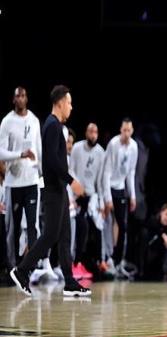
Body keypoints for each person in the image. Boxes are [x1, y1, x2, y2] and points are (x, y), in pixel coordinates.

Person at [10, 85, 91, 297]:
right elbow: (52, 161)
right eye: (69, 103)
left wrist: (67, 184)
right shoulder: (52, 125)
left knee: (65, 237)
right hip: (53, 190)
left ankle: (70, 282)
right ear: (61, 103)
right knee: (50, 235)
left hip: (59, 189)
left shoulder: (55, 125)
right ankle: (21, 270)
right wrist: (72, 181)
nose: (71, 107)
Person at [0, 87, 41, 268]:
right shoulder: (7, 122)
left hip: (31, 181)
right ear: (13, 99)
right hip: (13, 182)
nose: (21, 99)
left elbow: (39, 149)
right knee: (13, 227)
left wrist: (41, 173)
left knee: (32, 225)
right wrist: (20, 154)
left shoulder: (34, 120)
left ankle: (30, 267)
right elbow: (1, 152)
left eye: (23, 95)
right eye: (18, 96)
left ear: (27, 98)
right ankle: (13, 266)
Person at [102, 118, 138, 277]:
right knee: (107, 223)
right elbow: (107, 172)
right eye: (124, 130)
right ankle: (106, 258)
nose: (126, 133)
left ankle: (117, 259)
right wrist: (107, 198)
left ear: (132, 131)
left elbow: (131, 173)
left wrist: (133, 195)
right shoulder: (113, 144)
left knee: (122, 226)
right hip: (109, 186)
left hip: (121, 188)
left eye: (129, 130)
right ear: (120, 130)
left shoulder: (134, 147)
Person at [69, 123, 105, 278]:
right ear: (86, 133)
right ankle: (74, 262)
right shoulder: (77, 148)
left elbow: (100, 180)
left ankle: (99, 261)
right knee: (80, 227)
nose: (93, 135)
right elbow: (71, 170)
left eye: (95, 132)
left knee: (98, 226)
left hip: (92, 196)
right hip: (77, 196)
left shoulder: (101, 152)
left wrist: (101, 202)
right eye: (91, 131)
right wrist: (76, 191)